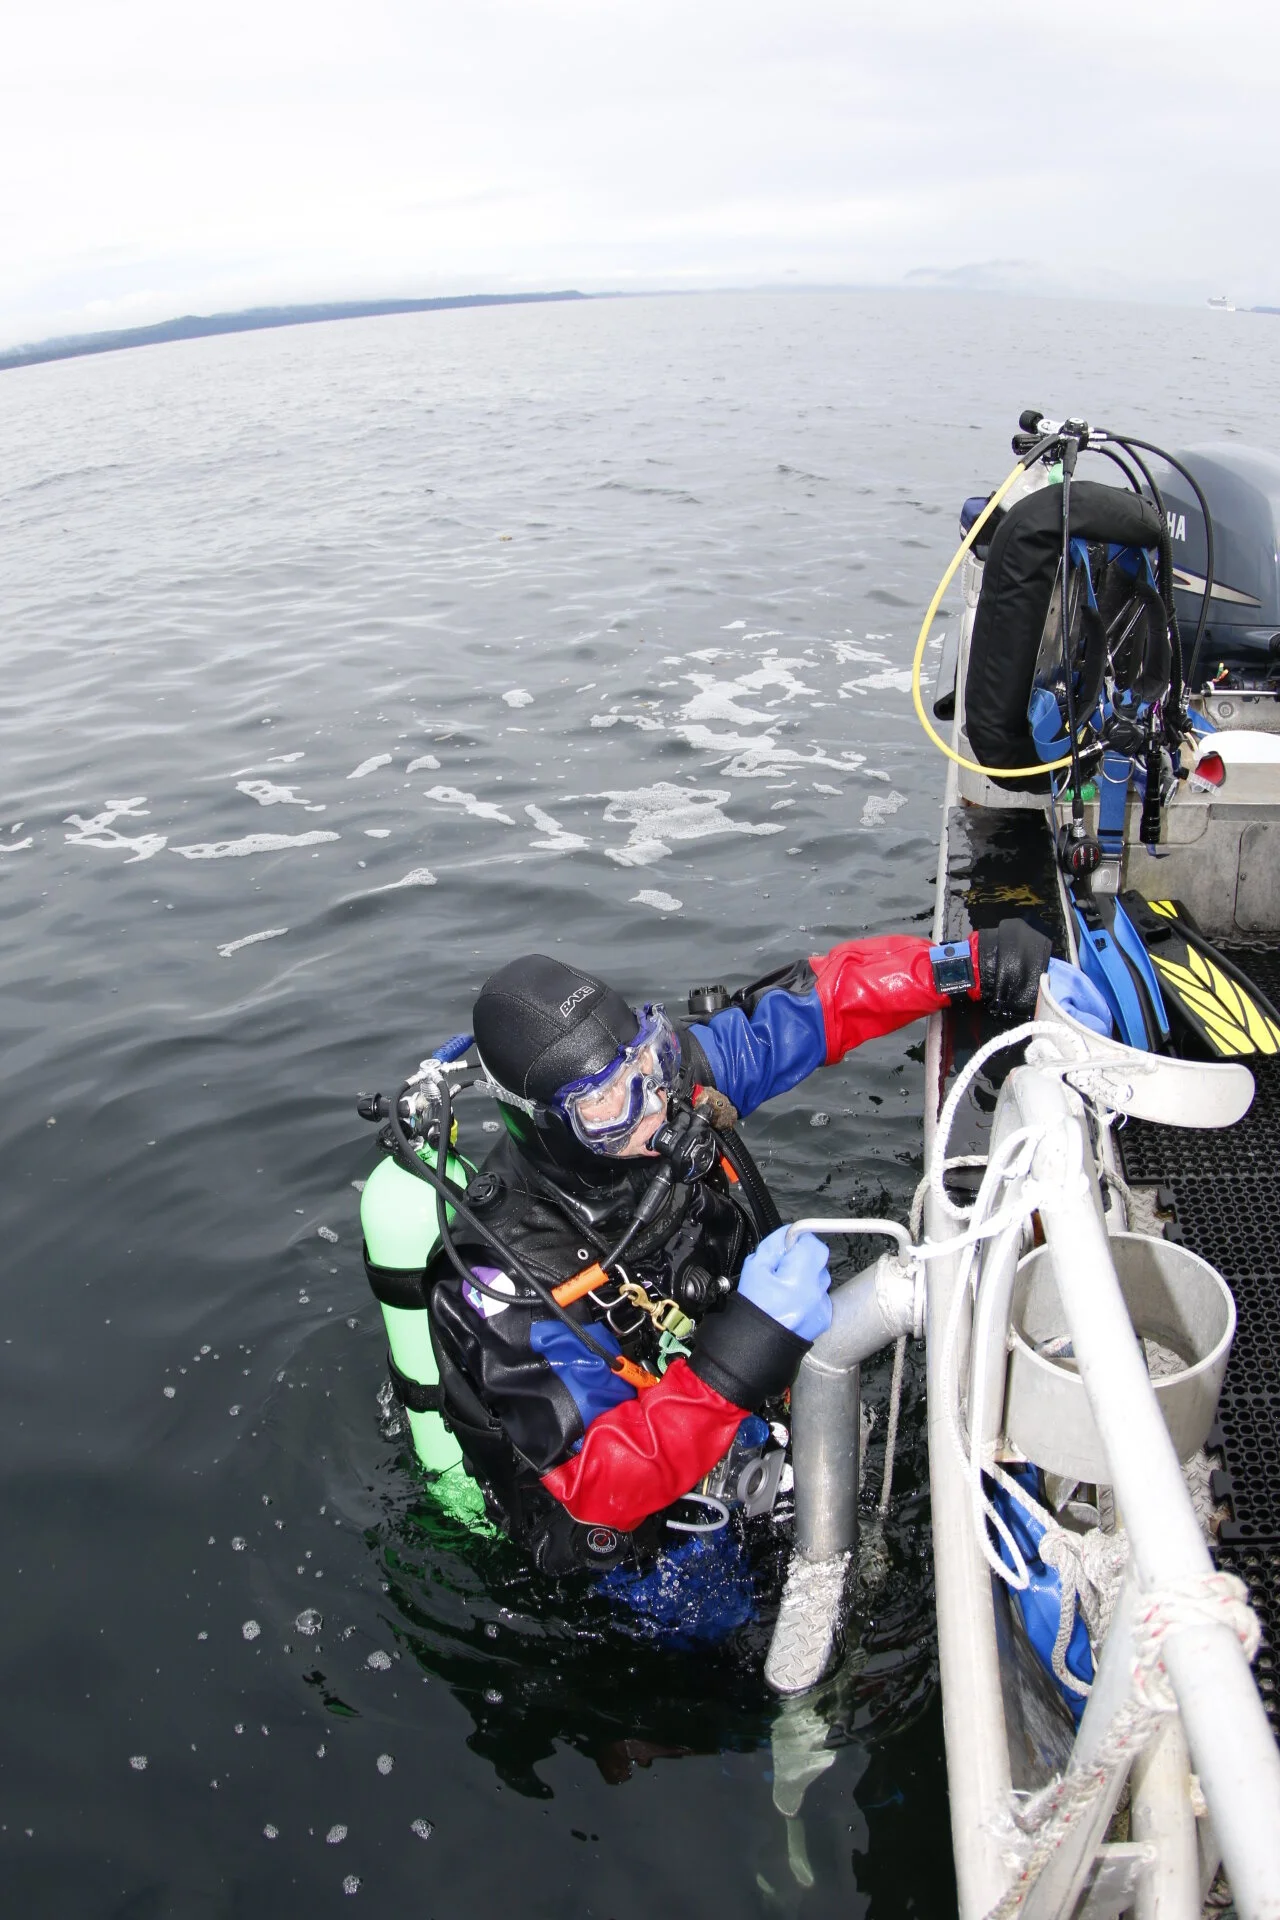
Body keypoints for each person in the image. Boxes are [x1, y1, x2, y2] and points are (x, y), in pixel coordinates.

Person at [424, 921, 1109, 1576]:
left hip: (729, 1393)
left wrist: (963, 966)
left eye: (645, 1059)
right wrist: (740, 1358)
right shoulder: (500, 1276)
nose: (653, 1105)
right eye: (605, 1103)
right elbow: (600, 1483)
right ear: (541, 1123)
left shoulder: (671, 1088)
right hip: (624, 1544)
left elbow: (815, 1009)